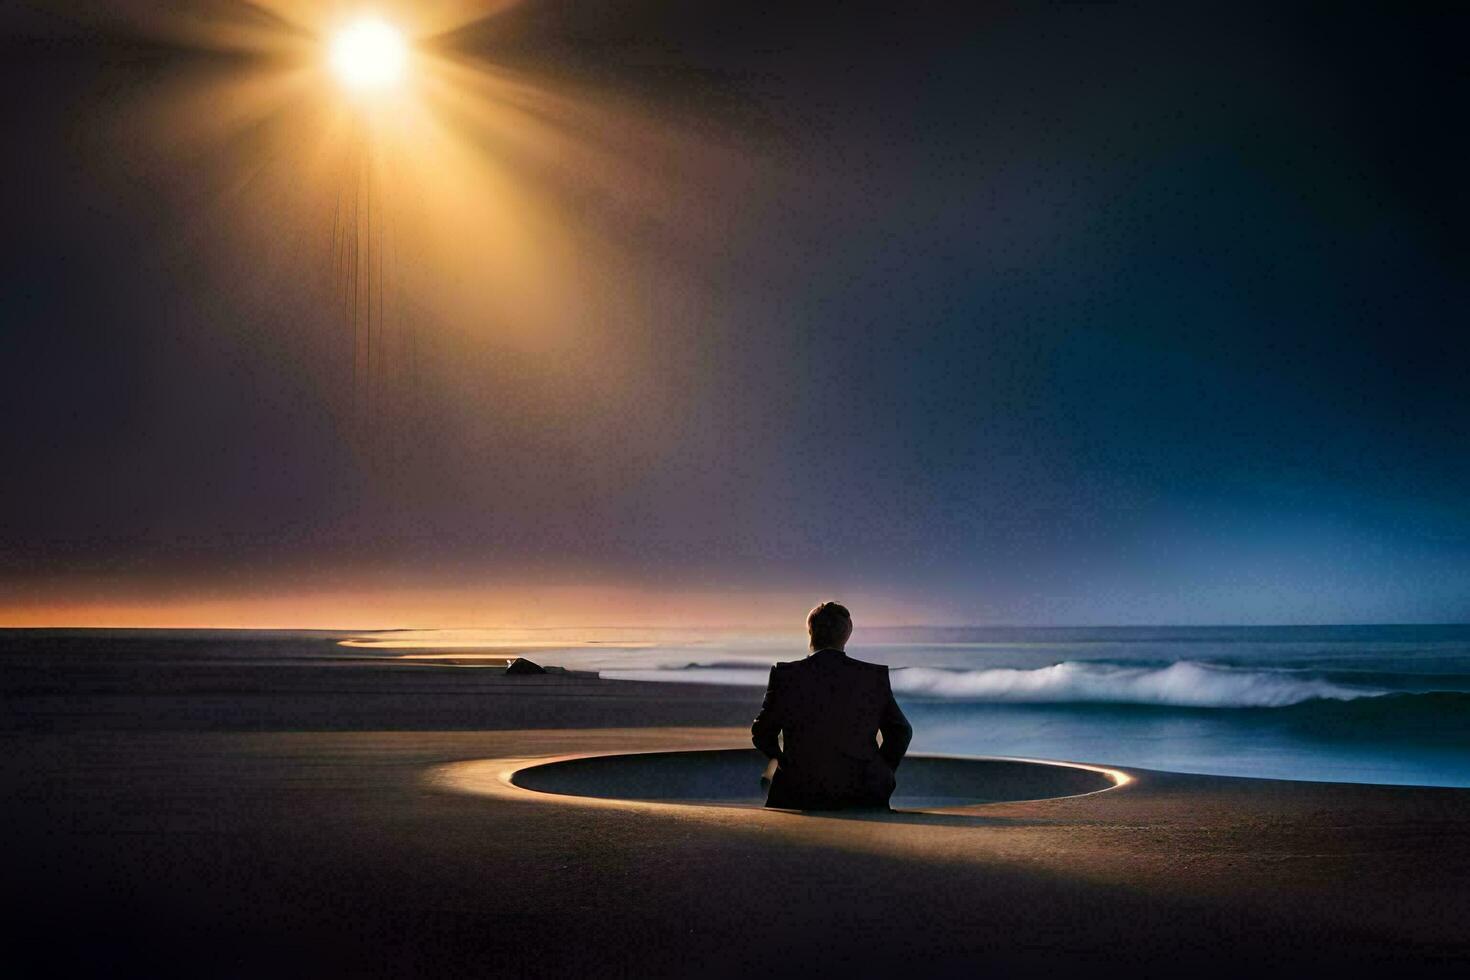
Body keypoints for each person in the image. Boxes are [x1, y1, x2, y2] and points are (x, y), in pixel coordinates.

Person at [751, 602, 913, 810]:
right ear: (847, 634)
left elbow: (762, 733)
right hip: (863, 791)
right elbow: (901, 731)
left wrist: (786, 763)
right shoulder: (873, 677)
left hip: (799, 790)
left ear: (810, 631)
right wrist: (880, 770)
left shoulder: (786, 676)